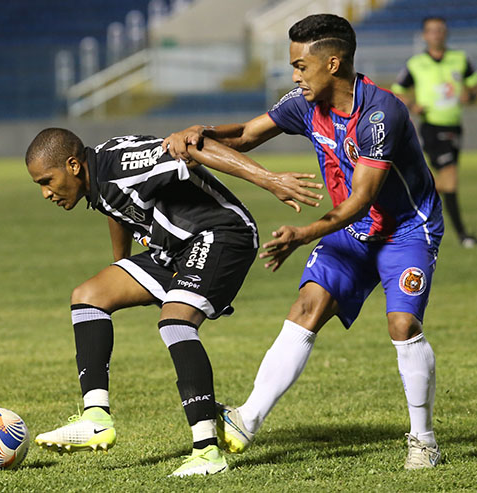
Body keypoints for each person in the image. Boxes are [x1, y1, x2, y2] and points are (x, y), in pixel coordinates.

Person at [163, 14, 445, 469]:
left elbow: (363, 198)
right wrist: (202, 132)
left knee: (402, 327)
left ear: (333, 63)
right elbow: (249, 135)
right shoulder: (303, 102)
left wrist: (302, 234)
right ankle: (246, 420)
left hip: (405, 229)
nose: (294, 75)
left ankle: (424, 439)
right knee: (306, 308)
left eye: (300, 66)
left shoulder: (380, 114)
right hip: (351, 233)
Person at [25, 128, 322, 477]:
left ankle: (207, 452)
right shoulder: (98, 178)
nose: (46, 192)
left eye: (47, 180)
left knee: (176, 322)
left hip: (222, 234)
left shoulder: (122, 165)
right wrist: (121, 266)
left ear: (73, 165)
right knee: (89, 297)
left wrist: (270, 180)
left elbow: (195, 148)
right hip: (173, 250)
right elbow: (115, 208)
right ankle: (96, 418)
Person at [392, 16, 477, 248]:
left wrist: (470, 94)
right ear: (424, 35)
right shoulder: (416, 63)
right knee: (450, 178)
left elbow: (474, 83)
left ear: (446, 33)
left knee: (447, 181)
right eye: (431, 31)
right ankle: (463, 235)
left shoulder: (460, 59)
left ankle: (406, 195)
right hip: (432, 126)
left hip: (454, 125)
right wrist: (412, 105)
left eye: (440, 30)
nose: (436, 34)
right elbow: (398, 90)